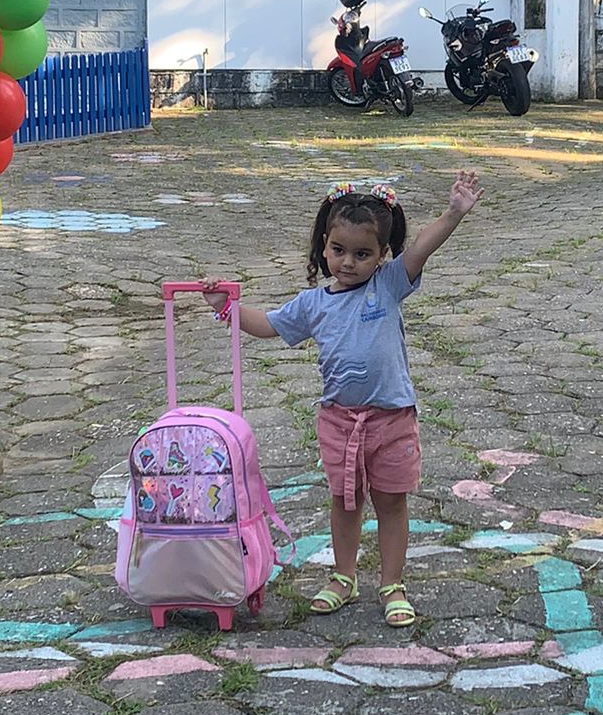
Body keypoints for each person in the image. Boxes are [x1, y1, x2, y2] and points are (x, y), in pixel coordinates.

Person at [204, 172, 483, 628]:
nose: (348, 262)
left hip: (392, 420)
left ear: (382, 256)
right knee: (346, 500)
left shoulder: (390, 284)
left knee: (391, 502)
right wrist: (225, 306)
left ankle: (392, 584)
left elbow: (423, 248)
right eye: (338, 250)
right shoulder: (313, 304)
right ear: (323, 246)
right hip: (338, 422)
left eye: (362, 254)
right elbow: (268, 325)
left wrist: (454, 211)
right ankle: (344, 576)